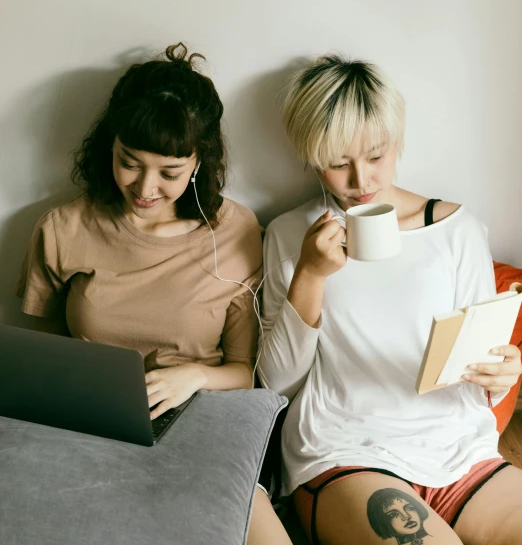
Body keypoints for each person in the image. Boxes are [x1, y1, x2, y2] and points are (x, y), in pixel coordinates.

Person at [15, 43, 291, 545]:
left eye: (168, 173)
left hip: (200, 419)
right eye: (129, 163)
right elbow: (43, 358)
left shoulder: (233, 232)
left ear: (198, 162)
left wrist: (191, 378)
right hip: (90, 424)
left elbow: (243, 371)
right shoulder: (63, 228)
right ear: (110, 147)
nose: (144, 188)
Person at [258, 54, 522, 545]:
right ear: (312, 157)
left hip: (462, 453)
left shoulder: (457, 231)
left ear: (396, 144)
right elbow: (277, 385)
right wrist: (311, 275)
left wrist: (503, 377)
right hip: (345, 451)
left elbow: (480, 373)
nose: (362, 181)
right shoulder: (290, 234)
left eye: (376, 156)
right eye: (339, 164)